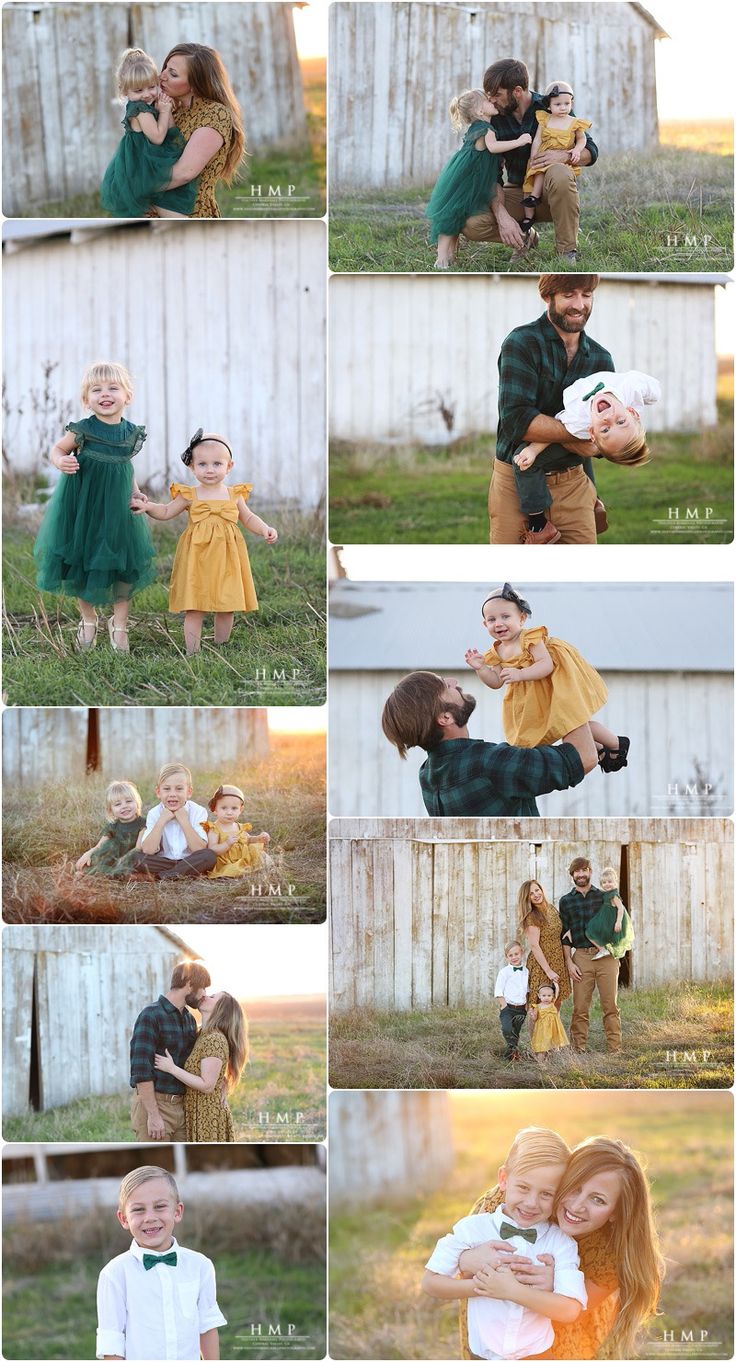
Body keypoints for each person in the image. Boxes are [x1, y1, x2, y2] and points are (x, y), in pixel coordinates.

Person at [457, 1135, 665, 1361]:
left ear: (616, 1212)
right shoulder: (513, 1202)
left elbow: (574, 1312)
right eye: (574, 1188)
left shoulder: (614, 1252)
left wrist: (555, 1284)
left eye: (598, 1200)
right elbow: (456, 1262)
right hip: (495, 1326)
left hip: (568, 1336)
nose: (577, 1207)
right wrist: (467, 1259)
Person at [422, 1126, 586, 1359]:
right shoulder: (472, 1228)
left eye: (546, 1194)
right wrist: (486, 1288)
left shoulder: (560, 1242)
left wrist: (513, 1291)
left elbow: (570, 1309)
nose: (531, 1203)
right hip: (481, 1354)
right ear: (503, 1179)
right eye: (523, 1187)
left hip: (538, 1355)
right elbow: (431, 1283)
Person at [33, 361, 155, 653]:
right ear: (86, 399)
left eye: (113, 388)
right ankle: (88, 619)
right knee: (82, 561)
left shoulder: (130, 433)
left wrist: (137, 494)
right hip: (83, 506)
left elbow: (126, 468)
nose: (105, 394)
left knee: (123, 564)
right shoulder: (82, 430)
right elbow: (58, 449)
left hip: (117, 509)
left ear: (128, 395)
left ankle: (120, 624)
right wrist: (60, 460)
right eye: (96, 389)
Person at [491, 275, 614, 545]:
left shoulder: (601, 358)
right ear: (548, 296)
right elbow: (517, 421)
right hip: (514, 481)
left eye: (587, 295)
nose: (579, 305)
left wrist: (597, 443)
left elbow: (607, 433)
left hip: (573, 483)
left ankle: (593, 499)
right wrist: (580, 436)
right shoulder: (521, 343)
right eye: (569, 295)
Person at [132, 429, 277, 655]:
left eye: (217, 464)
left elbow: (248, 518)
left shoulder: (234, 494)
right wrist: (149, 507)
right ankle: (192, 652)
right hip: (197, 558)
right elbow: (166, 511)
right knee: (195, 606)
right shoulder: (189, 494)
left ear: (229, 466)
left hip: (227, 558)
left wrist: (264, 528)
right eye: (202, 464)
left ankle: (222, 646)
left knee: (227, 605)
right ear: (192, 466)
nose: (210, 469)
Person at [381, 670, 598, 817]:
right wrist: (565, 687)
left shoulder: (428, 775)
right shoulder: (488, 762)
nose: (453, 683)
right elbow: (583, 758)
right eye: (444, 686)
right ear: (445, 718)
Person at [466, 583, 629, 771]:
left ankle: (617, 743)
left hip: (554, 686)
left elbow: (546, 665)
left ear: (522, 618)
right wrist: (481, 669)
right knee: (560, 728)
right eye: (492, 619)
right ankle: (598, 747)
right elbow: (496, 682)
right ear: (485, 624)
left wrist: (520, 674)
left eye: (505, 616)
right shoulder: (496, 652)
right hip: (533, 700)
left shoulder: (529, 639)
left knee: (572, 723)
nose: (499, 623)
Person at [461, 59, 599, 263]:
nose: (491, 100)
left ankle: (566, 253)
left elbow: (591, 150)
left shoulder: (553, 105)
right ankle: (525, 237)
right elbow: (491, 175)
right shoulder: (494, 120)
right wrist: (501, 215)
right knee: (470, 222)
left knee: (560, 172)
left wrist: (564, 156)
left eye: (497, 94)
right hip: (519, 193)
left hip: (554, 194)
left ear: (517, 91)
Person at [96, 1165, 226, 1360]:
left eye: (160, 1206)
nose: (150, 1218)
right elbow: (111, 1340)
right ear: (124, 1219)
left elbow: (207, 1326)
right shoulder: (114, 1274)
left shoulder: (200, 1266)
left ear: (177, 1211)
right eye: (138, 1210)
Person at [513, 369, 659, 540]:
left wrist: (532, 450)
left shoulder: (578, 420)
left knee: (522, 458)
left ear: (591, 433)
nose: (609, 418)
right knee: (582, 453)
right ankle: (595, 500)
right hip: (603, 426)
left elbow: (556, 428)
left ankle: (539, 525)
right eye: (621, 422)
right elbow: (654, 390)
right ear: (632, 412)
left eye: (605, 430)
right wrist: (648, 397)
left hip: (579, 433)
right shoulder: (630, 388)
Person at [425, 88, 532, 268]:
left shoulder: (476, 128)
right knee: (453, 213)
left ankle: (445, 257)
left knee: (452, 214)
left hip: (461, 175)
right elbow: (493, 147)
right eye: (488, 101)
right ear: (480, 111)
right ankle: (443, 258)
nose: (493, 102)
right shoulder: (486, 128)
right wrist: (520, 141)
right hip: (470, 178)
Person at [100, 48, 198, 218]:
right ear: (124, 91)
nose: (146, 94)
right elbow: (158, 137)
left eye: (151, 87)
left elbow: (170, 129)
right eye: (138, 91)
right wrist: (165, 111)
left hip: (151, 163)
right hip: (143, 168)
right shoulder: (140, 109)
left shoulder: (149, 104)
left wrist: (163, 108)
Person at [153, 44, 246, 218]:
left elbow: (184, 172)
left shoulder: (215, 114)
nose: (162, 76)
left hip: (190, 214)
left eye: (173, 74)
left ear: (195, 84)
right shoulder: (172, 111)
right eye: (165, 67)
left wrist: (135, 189)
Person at [129, 960, 211, 1141]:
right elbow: (141, 1071)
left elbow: (196, 1061)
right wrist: (153, 1114)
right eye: (203, 988)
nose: (204, 994)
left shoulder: (189, 1019)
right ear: (189, 985)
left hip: (181, 1107)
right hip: (156, 1104)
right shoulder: (151, 1015)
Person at [154, 991, 248, 1142]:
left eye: (212, 997)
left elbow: (207, 1085)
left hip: (207, 1116)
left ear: (221, 1010)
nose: (206, 996)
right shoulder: (202, 1035)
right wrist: (222, 1081)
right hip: (196, 1112)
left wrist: (171, 1068)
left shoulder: (214, 1039)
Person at [560, 859, 622, 1053]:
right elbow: (564, 935)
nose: (581, 874)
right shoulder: (566, 901)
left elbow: (619, 919)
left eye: (584, 870)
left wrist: (616, 949)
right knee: (580, 1007)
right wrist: (569, 963)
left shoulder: (603, 895)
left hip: (606, 957)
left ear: (590, 872)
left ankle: (615, 1049)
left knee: (610, 1005)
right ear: (572, 875)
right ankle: (578, 1049)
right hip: (581, 958)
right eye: (576, 871)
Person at [521, 82, 591, 234]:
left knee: (557, 175)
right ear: (548, 105)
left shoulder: (573, 122)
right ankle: (531, 208)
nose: (563, 107)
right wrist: (534, 156)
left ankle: (538, 198)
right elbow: (538, 139)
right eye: (558, 104)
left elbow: (582, 139)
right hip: (543, 155)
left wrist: (576, 150)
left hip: (560, 161)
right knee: (534, 174)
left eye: (567, 103)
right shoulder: (544, 119)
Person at [133, 764, 216, 879]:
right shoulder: (154, 813)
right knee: (134, 858)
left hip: (189, 860)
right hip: (162, 862)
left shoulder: (198, 811)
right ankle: (181, 873)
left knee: (209, 856)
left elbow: (199, 849)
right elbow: (148, 850)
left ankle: (160, 876)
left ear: (189, 792)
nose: (172, 794)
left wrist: (184, 821)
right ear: (158, 792)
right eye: (166, 789)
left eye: (179, 789)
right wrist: (161, 821)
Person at [518, 879, 570, 1019]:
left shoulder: (551, 908)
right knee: (538, 1007)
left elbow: (559, 929)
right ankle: (537, 1040)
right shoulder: (531, 917)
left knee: (556, 1002)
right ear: (526, 898)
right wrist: (548, 971)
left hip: (557, 960)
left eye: (537, 890)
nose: (535, 895)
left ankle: (552, 1038)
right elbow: (534, 945)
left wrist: (568, 931)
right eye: (530, 894)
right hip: (542, 965)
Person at [76, 781, 147, 876]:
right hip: (112, 859)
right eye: (118, 804)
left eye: (129, 801)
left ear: (137, 803)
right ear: (111, 810)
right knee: (100, 854)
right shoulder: (113, 826)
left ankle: (108, 874)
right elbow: (99, 846)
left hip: (131, 859)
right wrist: (88, 853)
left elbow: (138, 848)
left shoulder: (143, 823)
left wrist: (122, 861)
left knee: (127, 867)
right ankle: (91, 871)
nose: (124, 806)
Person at [203, 784, 271, 878]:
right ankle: (236, 873)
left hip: (242, 857)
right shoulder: (215, 828)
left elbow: (248, 839)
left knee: (259, 853)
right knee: (233, 869)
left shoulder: (239, 827)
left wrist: (259, 838)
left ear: (240, 810)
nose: (229, 812)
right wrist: (227, 844)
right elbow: (212, 849)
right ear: (215, 809)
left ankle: (258, 868)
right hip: (226, 862)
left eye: (234, 808)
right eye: (224, 808)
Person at [583, 865, 635, 960]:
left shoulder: (614, 895)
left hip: (611, 921)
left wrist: (618, 921)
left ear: (615, 882)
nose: (607, 884)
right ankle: (604, 950)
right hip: (606, 919)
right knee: (592, 932)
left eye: (610, 882)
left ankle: (603, 950)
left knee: (589, 931)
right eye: (604, 882)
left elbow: (621, 908)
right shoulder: (606, 893)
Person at [493, 940, 529, 1063]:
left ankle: (510, 1056)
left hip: (521, 1008)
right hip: (508, 1008)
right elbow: (498, 992)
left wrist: (527, 1006)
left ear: (522, 953)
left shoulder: (526, 972)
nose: (514, 957)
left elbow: (528, 991)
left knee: (516, 1032)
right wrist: (504, 1007)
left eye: (516, 954)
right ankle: (514, 1051)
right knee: (507, 1029)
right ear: (506, 957)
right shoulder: (504, 972)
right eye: (510, 955)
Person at [529, 981, 569, 1062]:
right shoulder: (537, 1007)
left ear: (552, 996)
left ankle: (547, 1061)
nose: (546, 998)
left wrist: (556, 984)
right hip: (542, 1031)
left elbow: (557, 992)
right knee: (542, 1048)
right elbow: (534, 1019)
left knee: (550, 1047)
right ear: (539, 996)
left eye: (549, 996)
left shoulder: (552, 1003)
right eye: (544, 996)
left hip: (552, 1030)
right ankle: (541, 1063)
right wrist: (532, 1014)